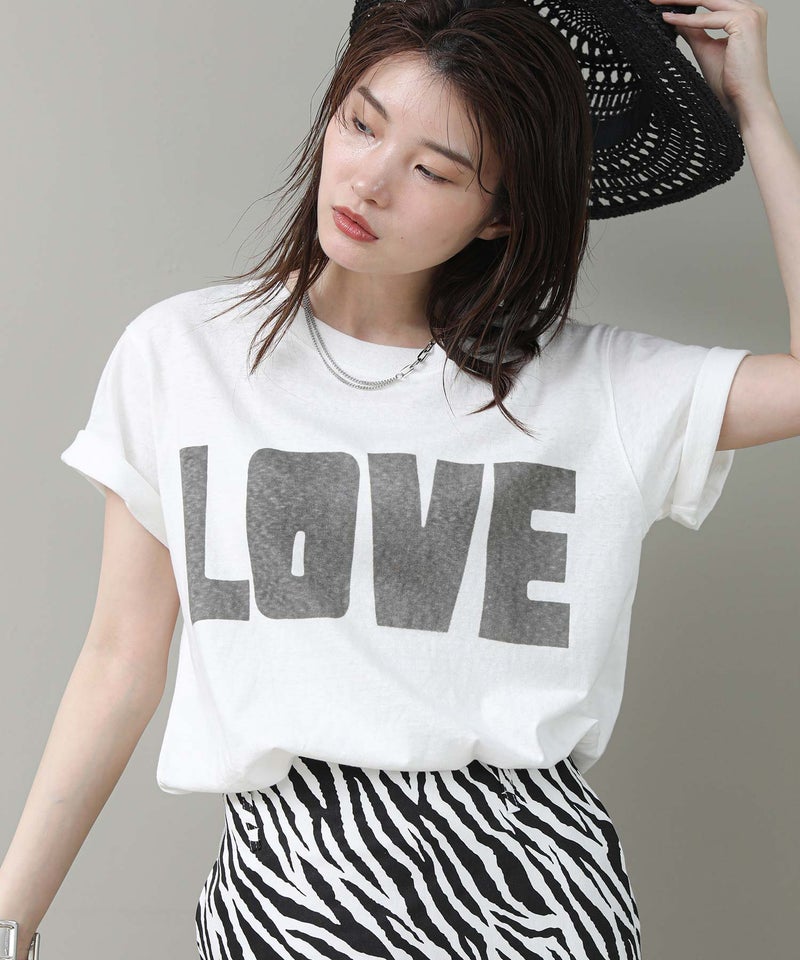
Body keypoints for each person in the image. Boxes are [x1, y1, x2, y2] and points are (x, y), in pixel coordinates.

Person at [1, 1, 796, 958]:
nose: (369, 181)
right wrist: (11, 924)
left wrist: (756, 110)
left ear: (501, 214)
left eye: (433, 171)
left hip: (537, 904)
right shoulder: (182, 356)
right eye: (362, 124)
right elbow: (118, 664)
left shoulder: (597, 387)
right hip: (288, 900)